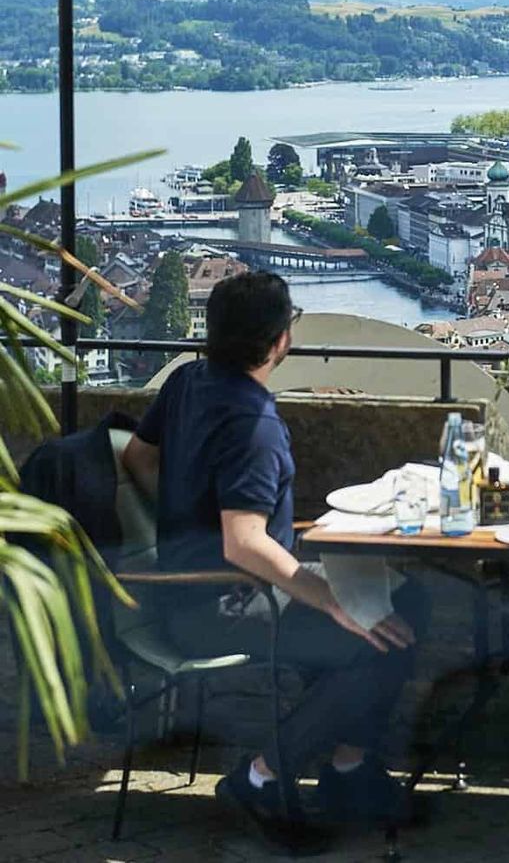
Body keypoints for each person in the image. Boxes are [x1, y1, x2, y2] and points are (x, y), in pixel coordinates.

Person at [122, 270, 425, 844]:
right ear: (281, 340)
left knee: (404, 603)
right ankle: (265, 778)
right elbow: (244, 541)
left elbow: (138, 457)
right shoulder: (256, 425)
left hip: (179, 591)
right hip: (222, 606)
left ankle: (346, 769)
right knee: (380, 637)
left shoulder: (188, 381)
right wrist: (329, 599)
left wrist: (184, 513)